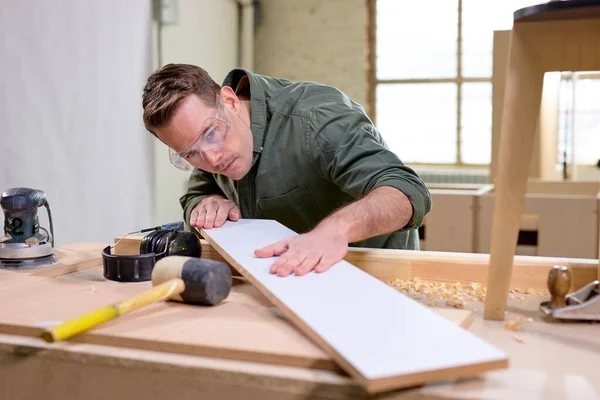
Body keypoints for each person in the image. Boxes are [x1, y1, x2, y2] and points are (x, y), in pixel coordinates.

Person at [141, 64, 432, 277]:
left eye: (210, 134)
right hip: (291, 280)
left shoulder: (316, 120)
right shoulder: (211, 146)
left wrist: (336, 230)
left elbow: (406, 192)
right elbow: (199, 190)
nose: (213, 158)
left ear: (229, 101)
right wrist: (204, 202)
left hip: (377, 277)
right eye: (191, 153)